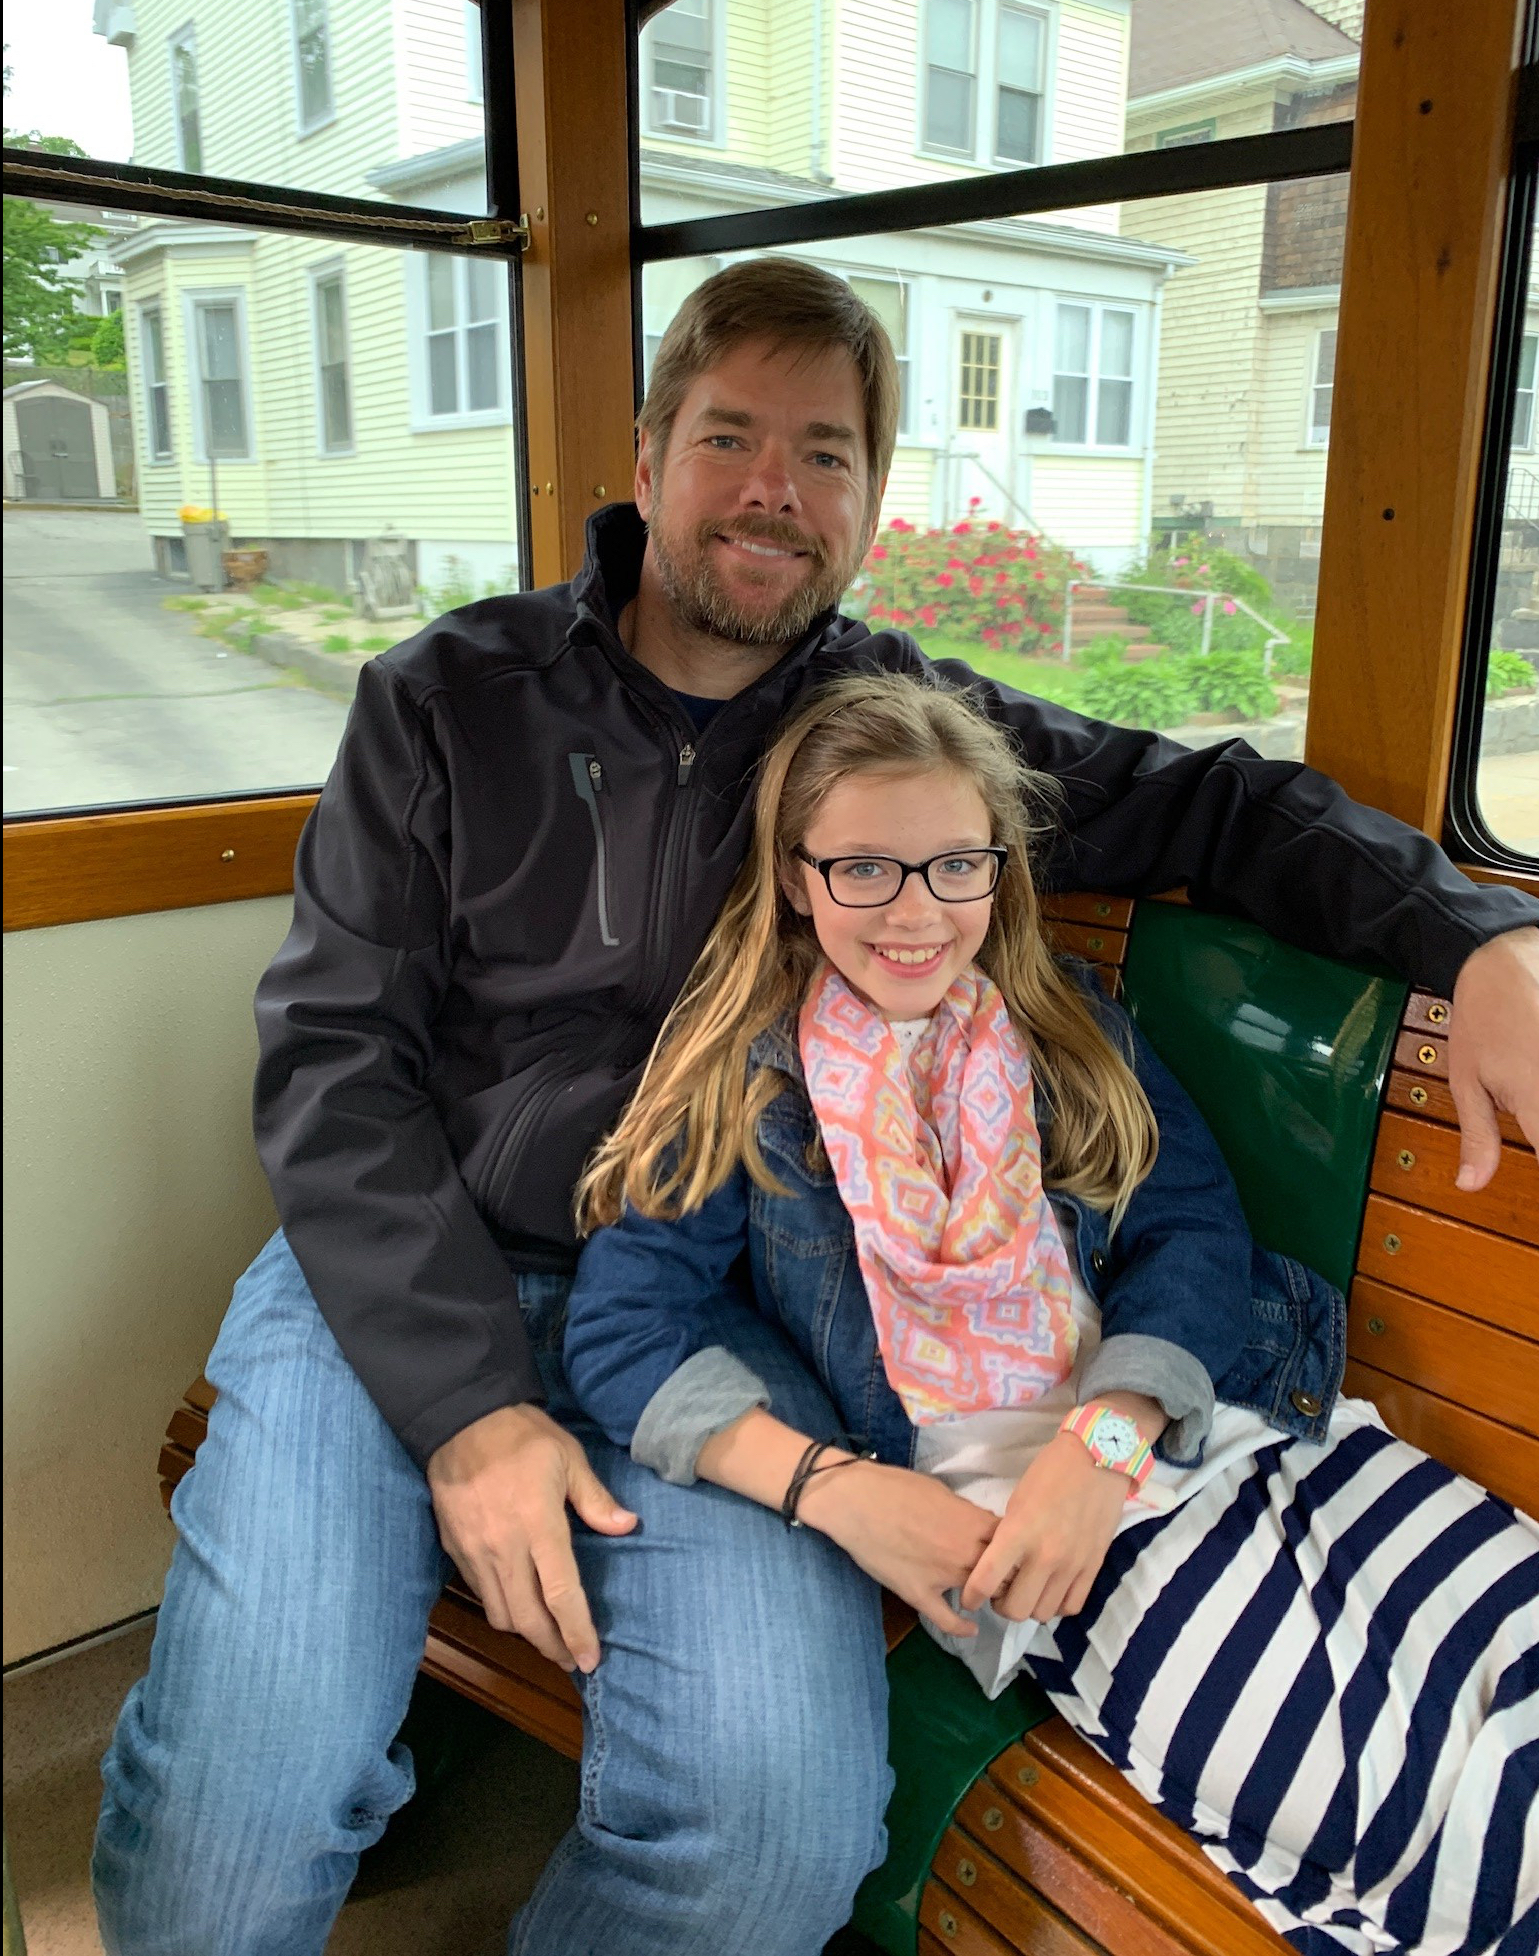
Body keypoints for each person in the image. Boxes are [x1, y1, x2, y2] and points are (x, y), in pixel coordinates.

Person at [93, 258, 1539, 1956]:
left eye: (825, 452)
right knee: (242, 1798)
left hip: (729, 1308)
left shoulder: (886, 740)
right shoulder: (445, 700)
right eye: (729, 437)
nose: (772, 488)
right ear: (647, 457)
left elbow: (1211, 806)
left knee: (769, 1839)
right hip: (408, 1269)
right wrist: (469, 1409)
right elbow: (337, 1061)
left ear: (867, 497)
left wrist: (1472, 930)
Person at [564, 672, 1539, 1954]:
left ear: (999, 866)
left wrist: (1108, 1440)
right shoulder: (742, 1083)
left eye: (954, 866)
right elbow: (623, 1333)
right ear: (797, 878)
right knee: (1409, 1821)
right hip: (1053, 1549)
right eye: (865, 869)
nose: (916, 912)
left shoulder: (1065, 1026)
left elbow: (1192, 1232)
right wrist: (832, 1490)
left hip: (1241, 1417)